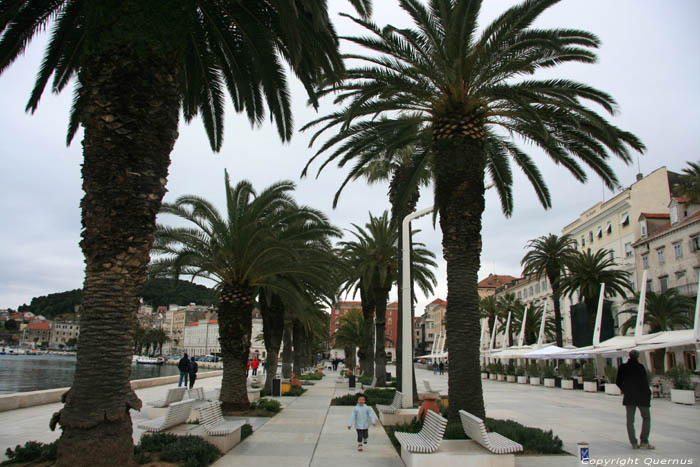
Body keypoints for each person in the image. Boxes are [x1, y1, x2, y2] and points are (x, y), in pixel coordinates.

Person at [616, 350, 654, 450]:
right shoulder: (640, 367)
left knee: (630, 420)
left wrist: (625, 390)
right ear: (637, 357)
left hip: (630, 397)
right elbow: (645, 382)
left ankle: (633, 442)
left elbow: (618, 381)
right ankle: (644, 441)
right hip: (642, 396)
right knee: (646, 418)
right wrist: (648, 395)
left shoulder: (623, 367)